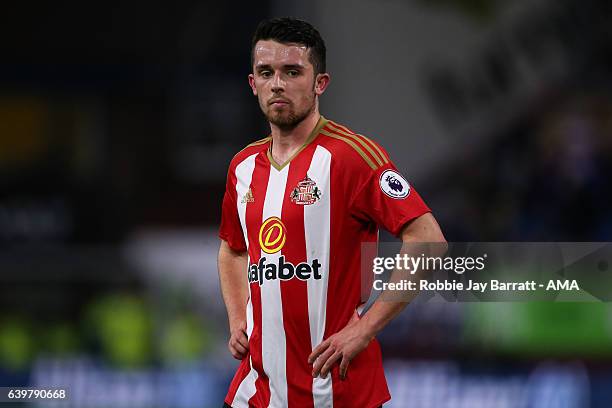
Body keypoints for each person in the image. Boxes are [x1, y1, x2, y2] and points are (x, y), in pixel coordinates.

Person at [218, 17, 446, 408]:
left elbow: (428, 241)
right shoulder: (242, 167)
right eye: (266, 72)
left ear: (320, 83)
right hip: (255, 392)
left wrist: (366, 329)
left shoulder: (353, 157)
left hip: (336, 392)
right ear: (253, 83)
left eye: (292, 72)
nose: (278, 83)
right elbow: (233, 249)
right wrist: (238, 317)